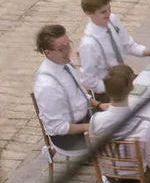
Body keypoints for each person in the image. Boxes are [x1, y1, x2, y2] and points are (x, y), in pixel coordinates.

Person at [79, 0, 150, 96]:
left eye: (109, 8)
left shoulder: (113, 20)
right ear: (89, 13)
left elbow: (129, 45)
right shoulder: (89, 44)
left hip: (124, 80)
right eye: (103, 12)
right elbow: (88, 80)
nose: (108, 13)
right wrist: (113, 89)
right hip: (108, 91)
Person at [33, 23, 104, 151]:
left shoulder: (64, 63)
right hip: (68, 137)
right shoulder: (47, 86)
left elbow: (79, 96)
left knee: (123, 116)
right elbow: (57, 127)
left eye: (68, 45)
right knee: (118, 136)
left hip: (84, 119)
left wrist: (99, 105)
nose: (68, 51)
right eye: (61, 49)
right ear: (48, 53)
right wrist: (91, 126)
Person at [88, 64, 150, 173]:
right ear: (131, 88)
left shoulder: (94, 120)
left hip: (109, 175)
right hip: (139, 180)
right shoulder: (144, 126)